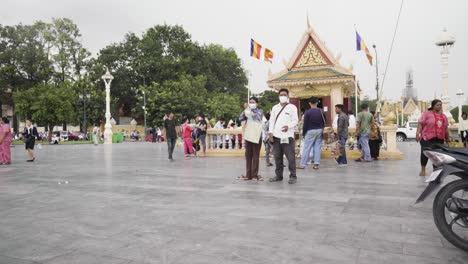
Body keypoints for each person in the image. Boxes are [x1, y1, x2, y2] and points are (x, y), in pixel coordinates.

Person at [268, 88, 299, 184]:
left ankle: (293, 176)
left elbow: (295, 120)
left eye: (284, 94)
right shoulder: (275, 107)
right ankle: (278, 176)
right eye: (281, 95)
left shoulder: (292, 107)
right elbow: (272, 121)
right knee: (277, 157)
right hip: (276, 136)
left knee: (290, 158)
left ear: (288, 96)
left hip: (287, 137)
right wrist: (270, 133)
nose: (283, 96)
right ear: (278, 96)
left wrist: (288, 126)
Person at [416, 99, 450, 176]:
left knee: (437, 156)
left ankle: (435, 171)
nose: (439, 106)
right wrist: (417, 134)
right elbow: (420, 124)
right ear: (433, 106)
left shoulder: (444, 116)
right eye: (437, 105)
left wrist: (448, 138)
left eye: (440, 105)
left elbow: (446, 128)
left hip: (439, 139)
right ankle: (423, 170)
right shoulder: (427, 114)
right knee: (425, 154)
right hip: (426, 138)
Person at [239, 96, 264, 181]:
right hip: (248, 135)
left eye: (253, 102)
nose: (252, 104)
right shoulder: (246, 111)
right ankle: (248, 174)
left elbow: (257, 117)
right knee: (248, 156)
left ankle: (254, 175)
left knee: (255, 156)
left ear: (257, 103)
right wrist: (245, 110)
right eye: (250, 102)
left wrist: (248, 111)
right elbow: (241, 118)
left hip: (257, 136)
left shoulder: (260, 111)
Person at [298, 97, 325, 170]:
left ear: (309, 103)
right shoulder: (321, 111)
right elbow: (324, 122)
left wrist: (303, 133)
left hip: (310, 131)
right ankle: (316, 164)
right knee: (317, 147)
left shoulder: (307, 112)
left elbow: (305, 124)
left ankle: (302, 164)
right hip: (319, 130)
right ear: (317, 103)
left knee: (307, 148)